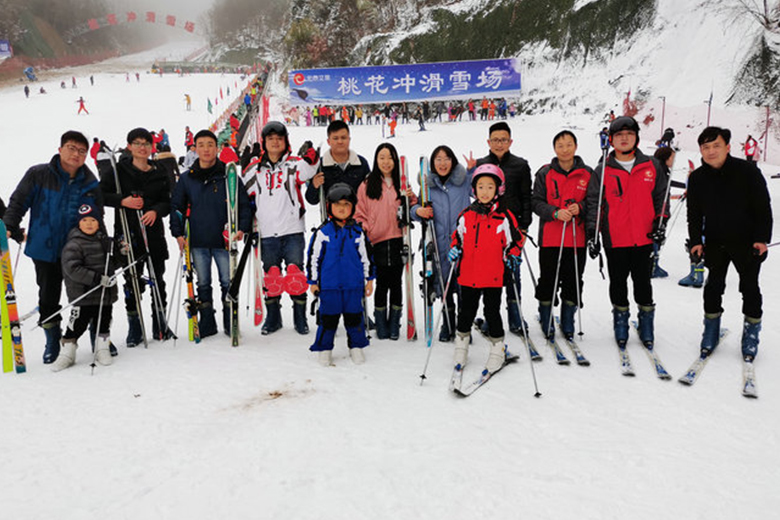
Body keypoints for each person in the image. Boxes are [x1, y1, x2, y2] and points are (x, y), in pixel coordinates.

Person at [3, 131, 103, 363]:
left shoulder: (90, 183)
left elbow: (97, 217)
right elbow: (18, 202)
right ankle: (52, 340)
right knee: (48, 296)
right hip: (44, 247)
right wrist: (9, 227)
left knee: (86, 296)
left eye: (81, 151)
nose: (75, 154)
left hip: (78, 251)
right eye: (71, 148)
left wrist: (102, 244)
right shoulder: (38, 174)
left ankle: (93, 336)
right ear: (60, 149)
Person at [686, 127, 772, 380]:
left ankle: (751, 335)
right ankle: (710, 331)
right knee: (713, 287)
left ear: (728, 146)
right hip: (714, 242)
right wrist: (695, 241)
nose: (710, 151)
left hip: (746, 243)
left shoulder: (748, 172)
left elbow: (762, 207)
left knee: (749, 287)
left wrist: (761, 239)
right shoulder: (699, 177)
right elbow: (694, 213)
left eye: (716, 145)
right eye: (705, 147)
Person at [585, 116, 666, 351]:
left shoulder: (652, 166)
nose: (624, 138)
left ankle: (646, 323)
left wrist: (661, 223)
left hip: (644, 237)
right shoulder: (602, 170)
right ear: (611, 140)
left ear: (636, 138)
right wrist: (593, 233)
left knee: (643, 283)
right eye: (619, 135)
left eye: (629, 134)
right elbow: (594, 203)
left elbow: (661, 198)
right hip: (615, 238)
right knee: (618, 283)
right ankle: (620, 322)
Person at [170, 129, 252, 337]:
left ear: (217, 148)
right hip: (197, 240)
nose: (206, 149)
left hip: (223, 239)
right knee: (203, 283)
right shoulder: (187, 179)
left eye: (210, 145)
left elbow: (243, 204)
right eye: (201, 145)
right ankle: (207, 322)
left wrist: (242, 227)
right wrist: (178, 233)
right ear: (195, 148)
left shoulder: (229, 175)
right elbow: (177, 207)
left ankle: (229, 321)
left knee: (227, 282)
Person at [241, 121, 318, 335]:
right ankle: (273, 318)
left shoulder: (294, 164)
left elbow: (310, 168)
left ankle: (299, 318)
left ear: (286, 142)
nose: (275, 142)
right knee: (271, 276)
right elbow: (240, 191)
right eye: (270, 138)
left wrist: (312, 155)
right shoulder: (254, 169)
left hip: (292, 229)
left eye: (279, 138)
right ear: (264, 143)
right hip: (266, 232)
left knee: (296, 275)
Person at [448, 164, 524, 373]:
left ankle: (497, 350)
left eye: (490, 187)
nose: (485, 191)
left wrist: (513, 255)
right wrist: (454, 249)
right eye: (480, 186)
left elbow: (516, 241)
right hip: (469, 274)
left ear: (498, 189)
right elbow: (457, 238)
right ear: (474, 189)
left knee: (492, 313)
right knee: (466, 313)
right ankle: (461, 349)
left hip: (493, 276)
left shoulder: (504, 216)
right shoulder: (466, 215)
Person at [101, 127, 174, 344]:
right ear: (129, 146)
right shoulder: (118, 171)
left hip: (153, 233)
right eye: (138, 143)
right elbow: (100, 194)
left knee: (157, 279)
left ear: (152, 147)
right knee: (132, 280)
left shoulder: (159, 170)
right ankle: (135, 326)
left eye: (146, 143)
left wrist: (156, 211)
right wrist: (122, 201)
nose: (142, 147)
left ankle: (160, 323)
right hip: (128, 231)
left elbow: (168, 200)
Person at [465, 121, 533, 334]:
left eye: (503, 140)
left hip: (512, 229)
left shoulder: (520, 165)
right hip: (487, 229)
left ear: (510, 141)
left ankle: (515, 318)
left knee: (513, 273)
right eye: (495, 140)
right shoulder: (482, 164)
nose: (499, 143)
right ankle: (489, 317)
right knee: (487, 274)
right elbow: (473, 195)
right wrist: (470, 171)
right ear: (489, 141)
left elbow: (526, 197)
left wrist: (523, 226)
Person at [531, 130, 591, 340]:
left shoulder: (587, 174)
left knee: (573, 280)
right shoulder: (544, 173)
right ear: (554, 149)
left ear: (575, 146)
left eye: (568, 144)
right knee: (548, 280)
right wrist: (554, 212)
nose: (565, 149)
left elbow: (594, 202)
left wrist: (580, 208)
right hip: (550, 238)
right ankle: (546, 316)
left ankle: (568, 319)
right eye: (560, 145)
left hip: (577, 238)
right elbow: (536, 202)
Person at [307, 184, 374, 366]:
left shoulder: (358, 233)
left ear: (352, 207)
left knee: (354, 318)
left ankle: (356, 346)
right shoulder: (323, 233)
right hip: (330, 287)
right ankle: (325, 348)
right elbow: (313, 258)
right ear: (330, 207)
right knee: (328, 320)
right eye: (337, 205)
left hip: (353, 286)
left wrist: (369, 280)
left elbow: (366, 258)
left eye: (346, 204)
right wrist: (313, 281)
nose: (342, 208)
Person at [355, 143, 416, 340]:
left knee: (396, 283)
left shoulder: (402, 183)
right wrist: (366, 228)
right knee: (381, 283)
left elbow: (413, 207)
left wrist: (411, 198)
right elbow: (359, 213)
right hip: (377, 241)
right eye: (382, 157)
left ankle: (394, 323)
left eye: (390, 157)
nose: (386, 162)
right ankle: (381, 322)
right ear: (376, 160)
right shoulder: (367, 184)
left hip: (398, 239)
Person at [411, 145, 471, 342]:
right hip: (437, 243)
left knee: (463, 287)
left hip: (462, 243)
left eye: (446, 158)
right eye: (438, 159)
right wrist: (417, 211)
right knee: (444, 286)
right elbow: (419, 209)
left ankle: (464, 329)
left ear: (453, 161)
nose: (443, 163)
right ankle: (447, 323)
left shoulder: (464, 182)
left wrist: (473, 171)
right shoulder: (428, 186)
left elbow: (486, 192)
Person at [52, 203, 116, 371]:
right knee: (77, 324)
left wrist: (122, 254)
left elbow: (112, 262)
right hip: (83, 294)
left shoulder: (104, 241)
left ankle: (102, 347)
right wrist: (96, 278)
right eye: (85, 220)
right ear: (79, 223)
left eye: (93, 220)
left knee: (104, 321)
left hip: (104, 293)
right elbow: (72, 268)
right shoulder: (73, 244)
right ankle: (67, 352)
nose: (89, 224)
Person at [305, 120, 371, 217]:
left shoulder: (361, 163)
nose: (340, 141)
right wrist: (314, 186)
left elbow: (370, 195)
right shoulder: (320, 166)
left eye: (343, 138)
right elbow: (312, 200)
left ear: (349, 139)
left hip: (358, 221)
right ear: (329, 141)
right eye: (335, 138)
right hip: (332, 225)